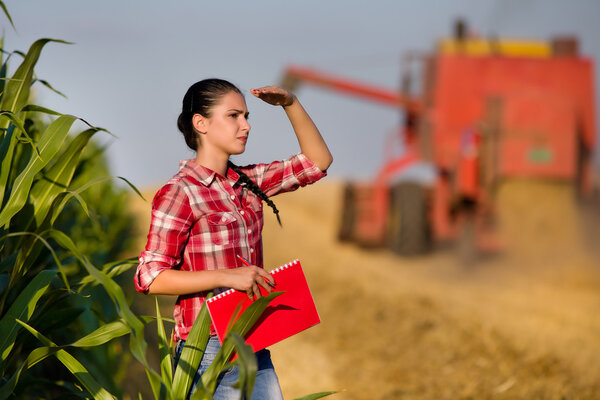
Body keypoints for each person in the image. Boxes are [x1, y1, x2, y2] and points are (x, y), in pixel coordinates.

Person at [134, 78, 333, 399]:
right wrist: (227, 276)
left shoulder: (249, 182)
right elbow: (150, 277)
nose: (246, 126)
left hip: (252, 340)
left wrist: (291, 103)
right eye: (234, 116)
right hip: (206, 349)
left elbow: (316, 162)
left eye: (247, 116)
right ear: (201, 123)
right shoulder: (180, 192)